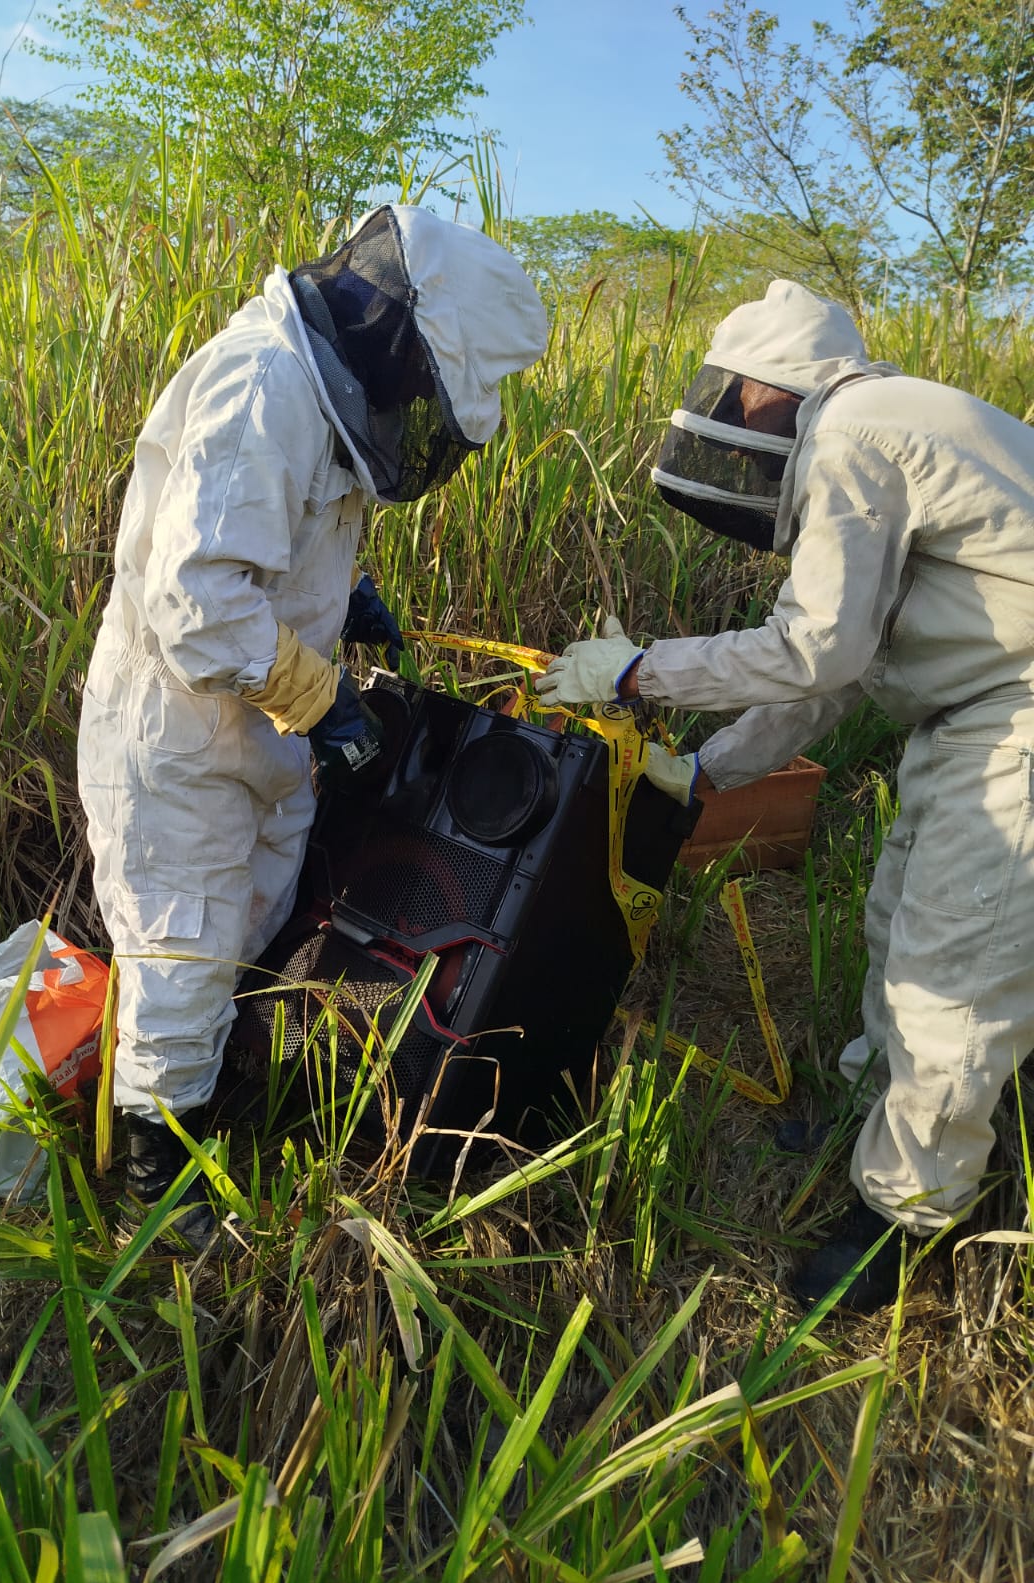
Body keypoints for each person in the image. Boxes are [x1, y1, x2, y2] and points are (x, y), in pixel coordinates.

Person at [535, 278, 1034, 1313]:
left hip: (1021, 707)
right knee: (899, 918)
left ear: (769, 386)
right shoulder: (881, 434)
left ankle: (905, 1218)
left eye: (737, 397)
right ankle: (871, 1114)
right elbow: (835, 673)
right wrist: (701, 771)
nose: (732, 421)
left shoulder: (857, 431)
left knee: (956, 965)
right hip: (980, 706)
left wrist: (640, 672)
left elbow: (811, 650)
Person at [77, 205, 547, 1246]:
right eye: (423, 383)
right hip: (182, 735)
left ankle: (211, 1115)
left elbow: (263, 539)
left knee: (248, 926)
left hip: (257, 731)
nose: (416, 409)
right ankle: (155, 1196)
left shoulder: (315, 396)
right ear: (394, 334)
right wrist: (325, 698)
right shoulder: (265, 384)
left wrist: (348, 599)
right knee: (184, 948)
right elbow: (197, 598)